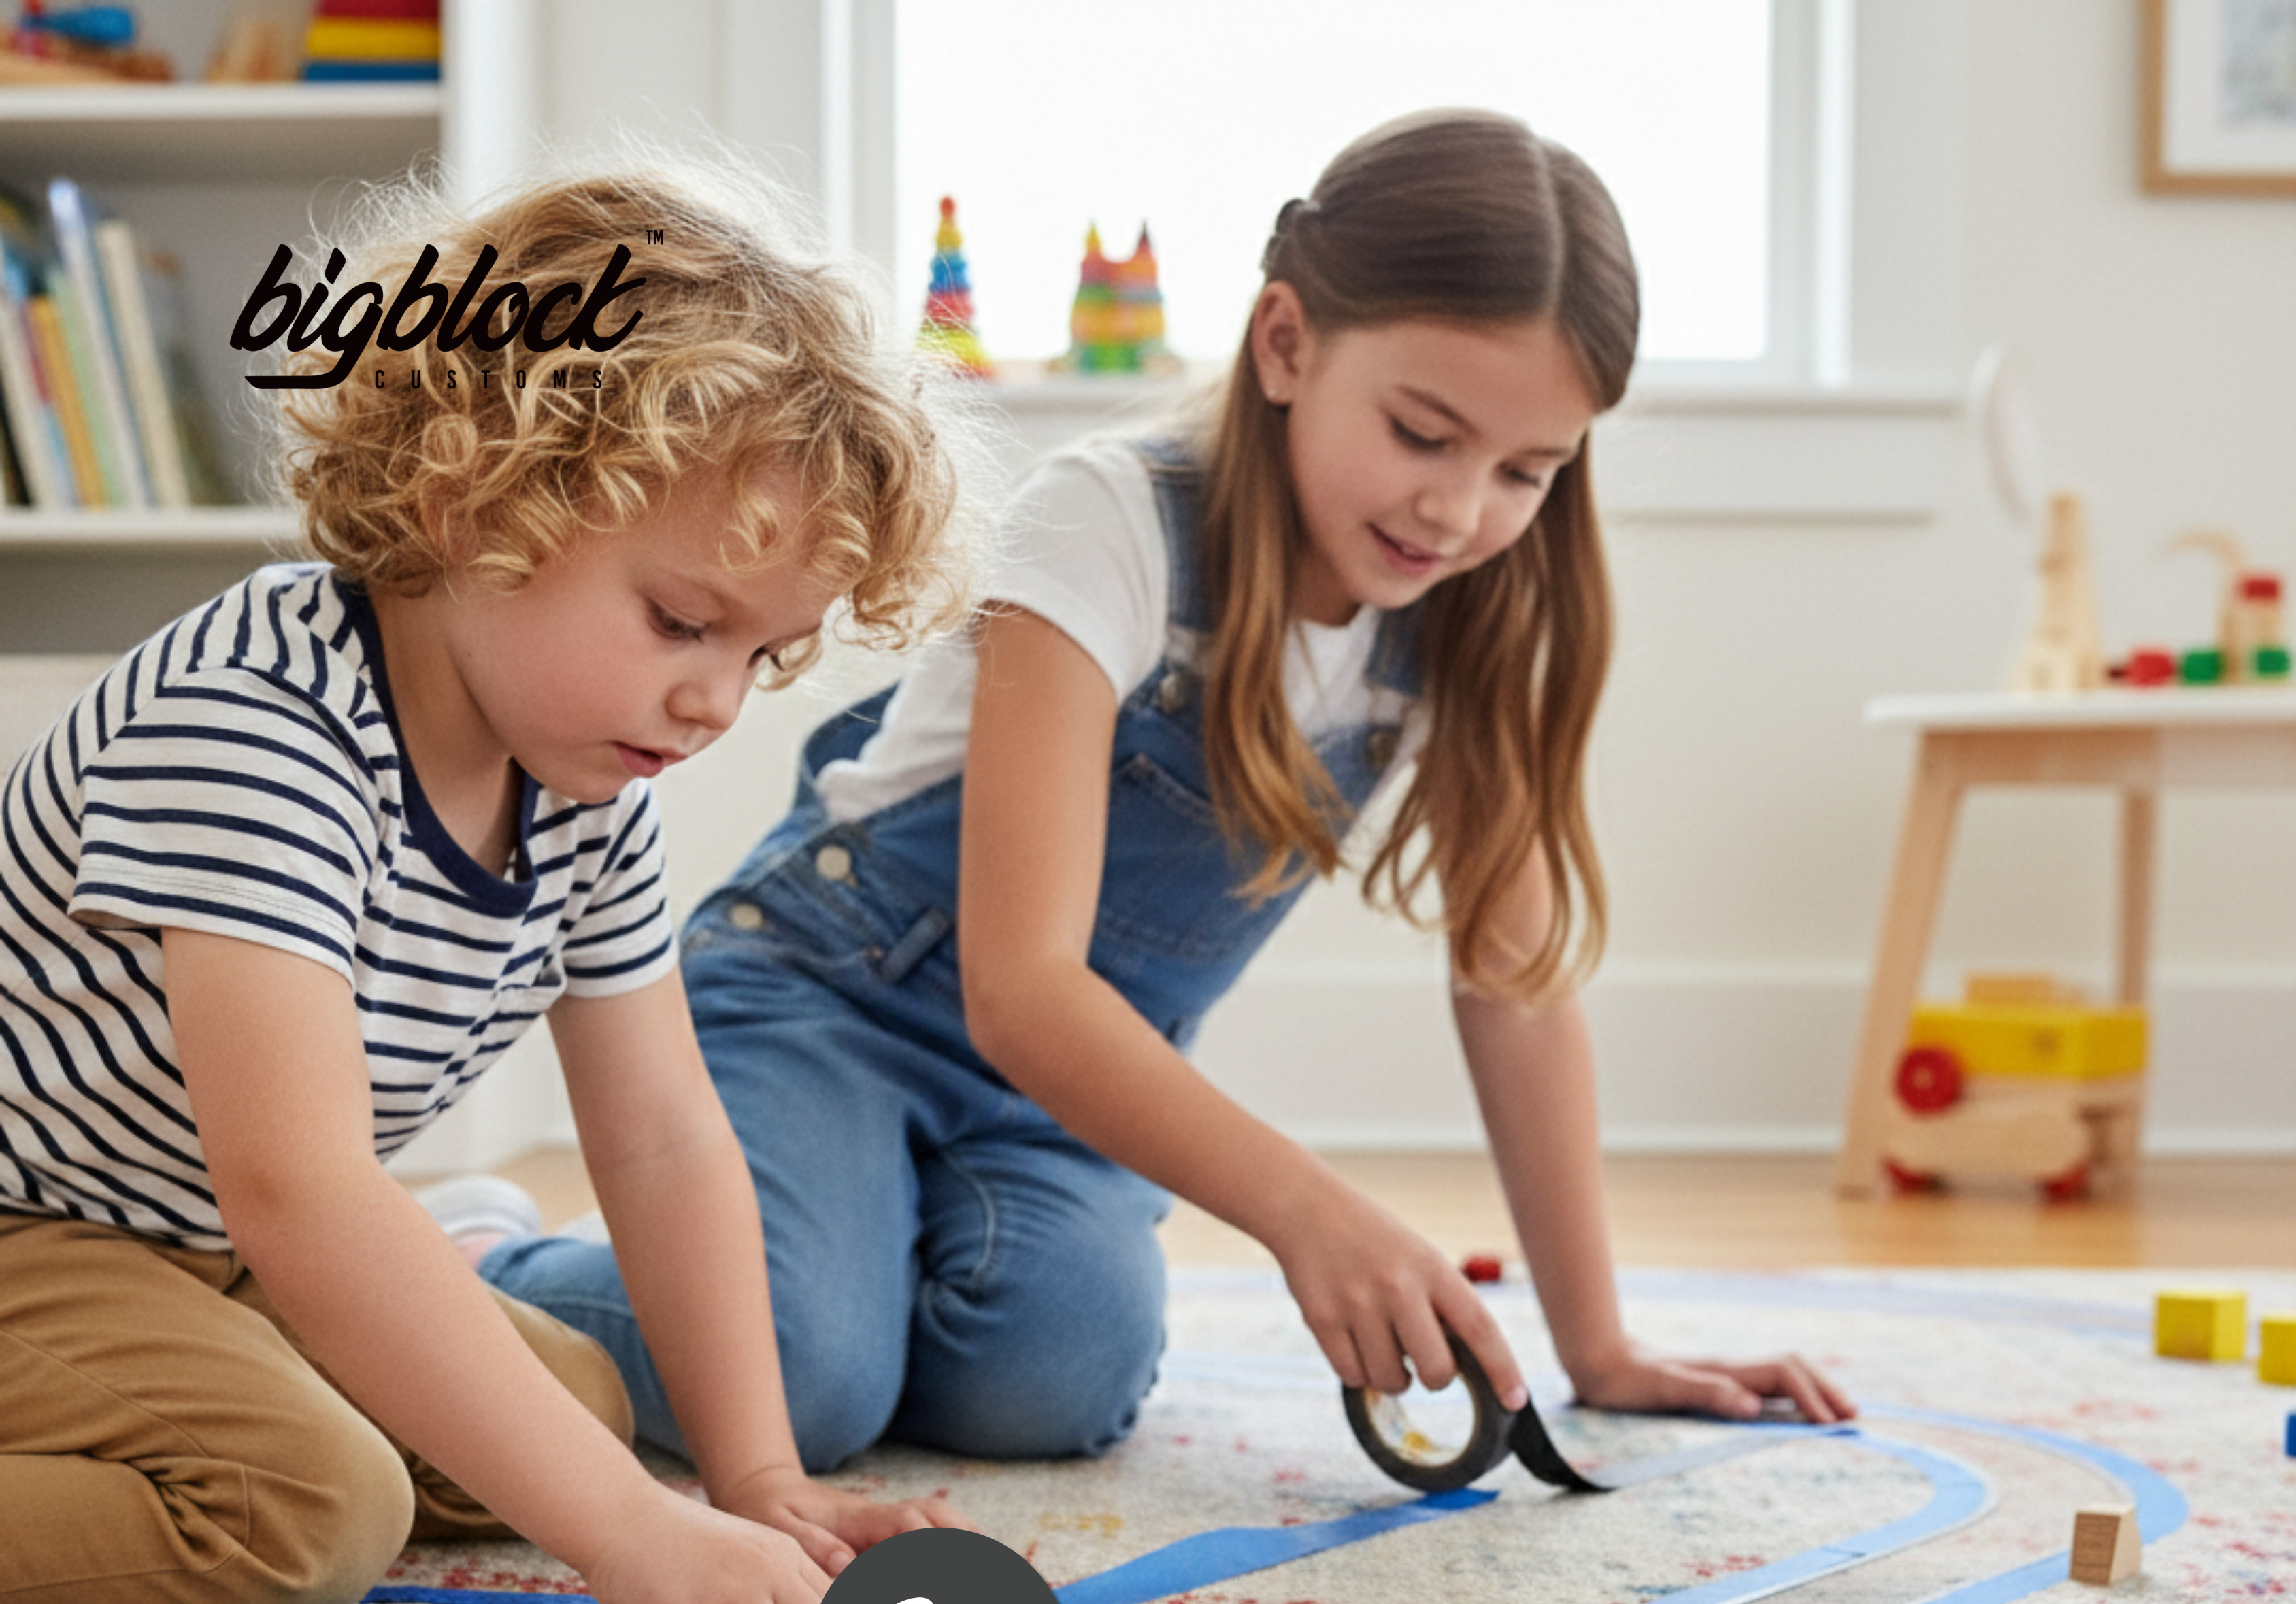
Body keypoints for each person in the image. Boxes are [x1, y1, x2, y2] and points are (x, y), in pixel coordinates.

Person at [482, 110, 1853, 1476]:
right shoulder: (1107, 523)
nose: (1457, 512)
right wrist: (1306, 1208)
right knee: (808, 1386)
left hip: (1059, 1094)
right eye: (1423, 433)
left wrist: (1596, 1344)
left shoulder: (1466, 612)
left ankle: (831, 1262)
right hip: (826, 1003)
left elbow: (1515, 985)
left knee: (1051, 1383)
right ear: (1285, 344)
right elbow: (1020, 989)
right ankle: (481, 1261)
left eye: (1524, 473)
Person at [0, 158, 976, 1604]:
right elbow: (303, 1194)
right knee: (308, 1508)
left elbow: (659, 1132)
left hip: (191, 1238)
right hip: (34, 1226)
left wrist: (753, 1482)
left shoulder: (583, 781)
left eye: (763, 653)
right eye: (680, 621)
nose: (716, 701)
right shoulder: (252, 728)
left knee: (576, 1411)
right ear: (474, 501)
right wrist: (628, 1544)